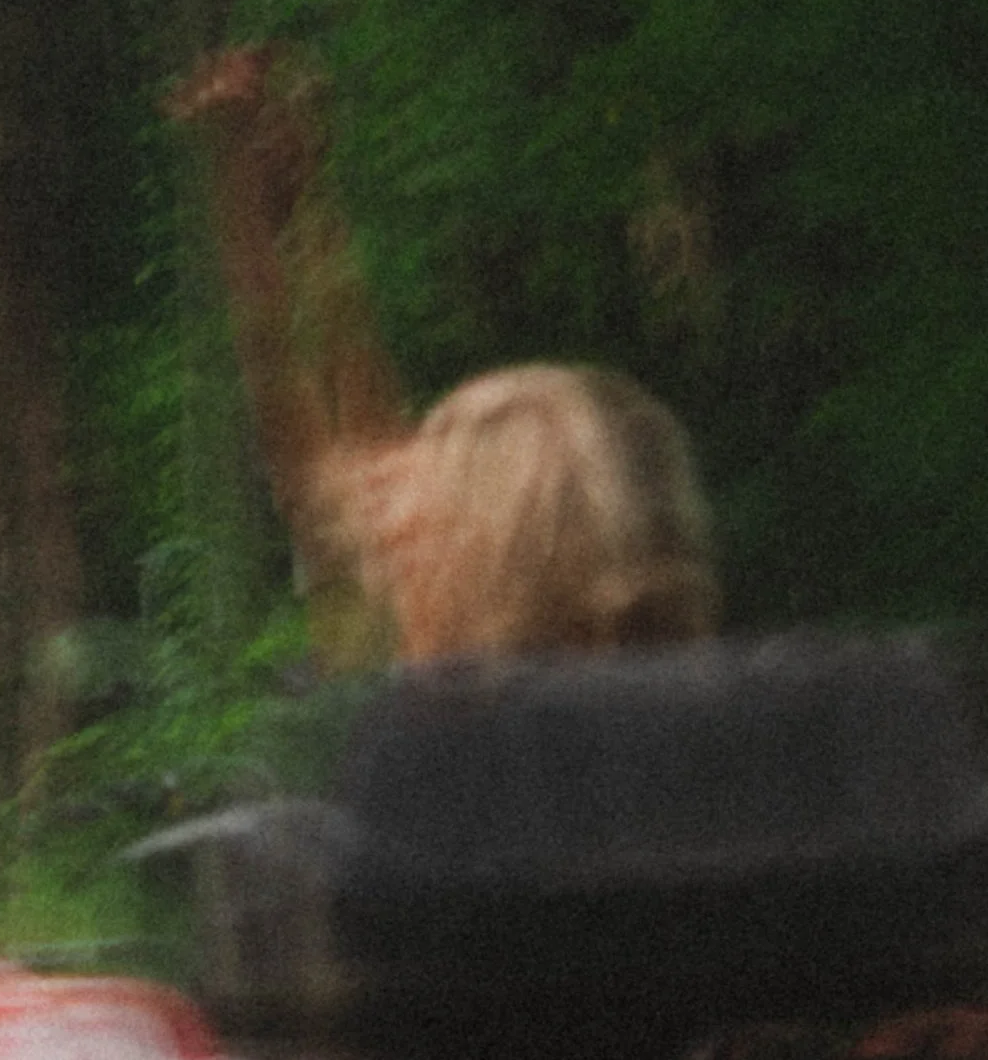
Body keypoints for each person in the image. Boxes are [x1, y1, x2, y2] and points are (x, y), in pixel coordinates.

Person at [166, 43, 718, 666]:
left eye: (417, 481)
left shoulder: (421, 674)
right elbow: (326, 379)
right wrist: (300, 186)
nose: (378, 485)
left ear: (497, 545)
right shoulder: (678, 702)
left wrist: (247, 184)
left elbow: (293, 397)